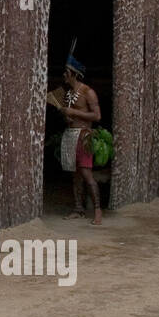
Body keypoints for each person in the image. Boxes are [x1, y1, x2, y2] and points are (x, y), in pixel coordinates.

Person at [57, 55, 103, 225]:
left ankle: (97, 211)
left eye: (66, 72)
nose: (64, 75)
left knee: (86, 173)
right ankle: (78, 209)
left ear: (74, 74)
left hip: (84, 136)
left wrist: (74, 113)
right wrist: (67, 118)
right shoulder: (68, 94)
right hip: (70, 135)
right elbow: (70, 115)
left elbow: (97, 116)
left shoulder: (87, 92)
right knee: (75, 175)